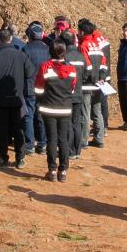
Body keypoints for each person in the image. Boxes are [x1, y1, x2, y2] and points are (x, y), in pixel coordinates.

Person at [0, 27, 33, 168]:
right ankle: (20, 158)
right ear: (11, 39)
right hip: (17, 97)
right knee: (18, 129)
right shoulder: (21, 55)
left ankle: (3, 158)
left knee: (2, 130)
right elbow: (30, 72)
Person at [34, 40, 77, 182]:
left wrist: (43, 97)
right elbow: (72, 88)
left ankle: (52, 170)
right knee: (63, 139)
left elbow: (39, 88)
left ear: (50, 52)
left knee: (51, 139)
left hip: (49, 107)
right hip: (64, 108)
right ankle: (63, 171)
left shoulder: (45, 67)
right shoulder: (71, 69)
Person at [78, 19, 110, 147]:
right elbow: (104, 63)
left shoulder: (83, 46)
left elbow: (86, 65)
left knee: (85, 112)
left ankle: (84, 140)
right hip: (98, 84)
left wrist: (86, 79)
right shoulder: (96, 45)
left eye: (79, 31)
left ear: (83, 32)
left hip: (87, 85)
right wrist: (101, 78)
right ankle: (99, 138)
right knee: (97, 112)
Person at [23, 22, 51, 153]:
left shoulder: (26, 49)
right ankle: (42, 143)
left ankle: (29, 145)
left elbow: (23, 68)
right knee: (41, 114)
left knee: (28, 114)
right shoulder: (47, 49)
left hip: (29, 85)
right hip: (44, 85)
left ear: (30, 35)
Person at [62, 30, 89, 160]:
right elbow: (86, 75)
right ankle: (77, 150)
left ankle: (71, 151)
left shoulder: (64, 57)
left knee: (68, 123)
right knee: (76, 122)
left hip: (67, 94)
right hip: (79, 93)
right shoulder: (81, 56)